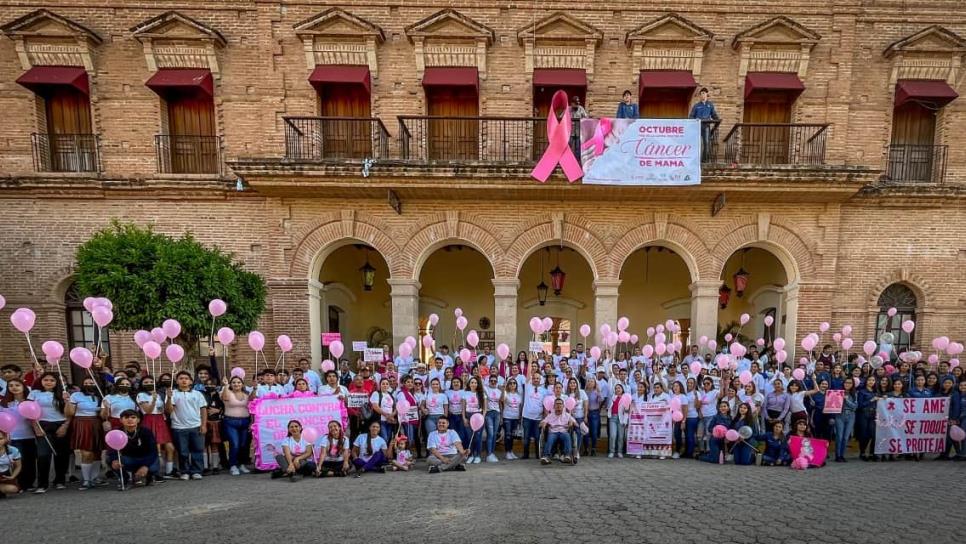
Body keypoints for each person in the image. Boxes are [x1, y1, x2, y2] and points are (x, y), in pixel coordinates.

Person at [27, 372, 70, 492]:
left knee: (61, 454)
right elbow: (29, 411)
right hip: (42, 424)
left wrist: (65, 426)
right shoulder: (34, 393)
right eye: (46, 380)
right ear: (41, 381)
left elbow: (70, 413)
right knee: (43, 455)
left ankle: (60, 480)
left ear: (57, 382)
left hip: (60, 423)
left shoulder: (64, 393)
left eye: (52, 380)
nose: (48, 382)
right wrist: (36, 427)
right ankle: (42, 484)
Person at [165, 370, 207, 480]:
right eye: (181, 378)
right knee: (182, 451)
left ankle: (197, 471)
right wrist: (169, 397)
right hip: (179, 427)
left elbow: (203, 410)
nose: (184, 380)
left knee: (197, 450)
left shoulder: (197, 394)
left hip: (196, 426)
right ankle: (185, 471)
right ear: (177, 381)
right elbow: (169, 411)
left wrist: (203, 425)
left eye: (186, 378)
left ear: (191, 381)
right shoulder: (173, 393)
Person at [67, 376, 105, 490]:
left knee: (97, 452)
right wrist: (67, 402)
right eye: (86, 382)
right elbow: (71, 412)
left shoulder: (101, 396)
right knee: (86, 453)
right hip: (82, 423)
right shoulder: (76, 395)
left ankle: (95, 477)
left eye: (91, 382)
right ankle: (86, 480)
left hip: (97, 423)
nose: (88, 384)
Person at [108, 410, 161, 489]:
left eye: (133, 417)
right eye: (126, 417)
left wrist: (145, 466)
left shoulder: (146, 432)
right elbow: (112, 450)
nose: (130, 420)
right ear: (121, 420)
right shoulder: (117, 433)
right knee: (110, 460)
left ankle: (149, 476)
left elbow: (153, 451)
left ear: (138, 420)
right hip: (129, 459)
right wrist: (114, 460)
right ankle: (125, 479)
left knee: (153, 465)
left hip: (145, 458)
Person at [0, 378, 37, 491]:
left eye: (17, 385)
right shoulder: (4, 404)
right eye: (11, 385)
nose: (14, 387)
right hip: (13, 436)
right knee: (18, 460)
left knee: (30, 460)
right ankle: (19, 483)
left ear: (23, 387)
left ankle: (29, 483)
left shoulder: (30, 402)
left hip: (30, 435)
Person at [220, 376, 252, 476]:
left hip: (245, 421)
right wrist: (225, 385)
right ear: (231, 384)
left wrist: (255, 388)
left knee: (243, 445)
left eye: (238, 382)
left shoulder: (246, 394)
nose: (236, 384)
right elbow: (224, 398)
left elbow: (253, 403)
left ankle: (241, 464)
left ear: (242, 384)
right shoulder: (227, 392)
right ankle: (233, 465)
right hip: (230, 421)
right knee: (235, 444)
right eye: (233, 382)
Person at [540, 398, 577, 465]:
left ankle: (567, 456)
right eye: (557, 404)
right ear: (554, 406)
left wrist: (571, 422)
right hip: (553, 432)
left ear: (563, 406)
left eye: (560, 404)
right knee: (550, 438)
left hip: (563, 431)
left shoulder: (567, 415)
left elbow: (576, 424)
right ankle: (546, 457)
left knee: (567, 436)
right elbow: (541, 423)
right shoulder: (550, 415)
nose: (558, 405)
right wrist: (544, 423)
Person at [688, 87, 720, 160]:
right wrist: (695, 120)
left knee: (706, 143)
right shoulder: (696, 106)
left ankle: (704, 160)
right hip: (697, 127)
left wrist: (718, 120)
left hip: (706, 126)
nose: (702, 95)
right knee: (697, 144)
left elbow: (714, 115)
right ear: (699, 96)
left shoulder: (710, 105)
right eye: (701, 94)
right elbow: (691, 117)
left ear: (706, 94)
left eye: (704, 93)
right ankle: (696, 160)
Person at [833, 377, 858, 462]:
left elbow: (855, 407)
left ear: (852, 384)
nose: (847, 384)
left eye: (850, 383)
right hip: (840, 415)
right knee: (839, 436)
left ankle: (842, 455)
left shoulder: (854, 394)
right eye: (846, 382)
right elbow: (833, 405)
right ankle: (838, 455)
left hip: (851, 416)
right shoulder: (838, 393)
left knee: (846, 437)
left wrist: (846, 400)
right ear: (843, 383)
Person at [462, 377, 485, 463]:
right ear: (469, 384)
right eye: (472, 382)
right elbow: (463, 408)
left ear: (478, 384)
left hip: (478, 417)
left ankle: (477, 455)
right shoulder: (465, 394)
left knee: (478, 437)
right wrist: (464, 418)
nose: (474, 384)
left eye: (475, 382)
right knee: (469, 437)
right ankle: (470, 455)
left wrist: (482, 417)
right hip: (468, 416)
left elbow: (485, 409)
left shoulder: (482, 394)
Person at [483, 374, 503, 463]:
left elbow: (500, 404)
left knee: (495, 434)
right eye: (492, 381)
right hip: (489, 413)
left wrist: (501, 416)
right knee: (490, 434)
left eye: (495, 381)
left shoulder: (499, 391)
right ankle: (489, 454)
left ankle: (492, 453)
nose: (493, 382)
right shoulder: (486, 388)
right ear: (489, 381)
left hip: (497, 413)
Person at [369, 378, 396, 443]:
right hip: (380, 421)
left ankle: (385, 453)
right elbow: (375, 406)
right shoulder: (376, 393)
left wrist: (391, 415)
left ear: (389, 385)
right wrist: (386, 415)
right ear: (380, 385)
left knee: (389, 438)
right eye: (383, 384)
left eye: (387, 384)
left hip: (389, 421)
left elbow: (395, 408)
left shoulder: (391, 395)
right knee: (384, 439)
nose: (385, 385)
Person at [607, 383, 630, 458]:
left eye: (619, 388)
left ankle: (619, 451)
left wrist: (625, 421)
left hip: (621, 419)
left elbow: (626, 411)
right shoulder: (612, 397)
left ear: (622, 389)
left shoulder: (625, 398)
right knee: (613, 435)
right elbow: (609, 407)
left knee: (620, 436)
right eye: (616, 388)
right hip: (613, 418)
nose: (617, 389)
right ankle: (612, 451)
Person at [0, 430, 22, 497]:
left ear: (5, 439)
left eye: (0, 439)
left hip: (4, 475)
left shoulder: (13, 450)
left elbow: (18, 466)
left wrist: (12, 476)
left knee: (14, 489)